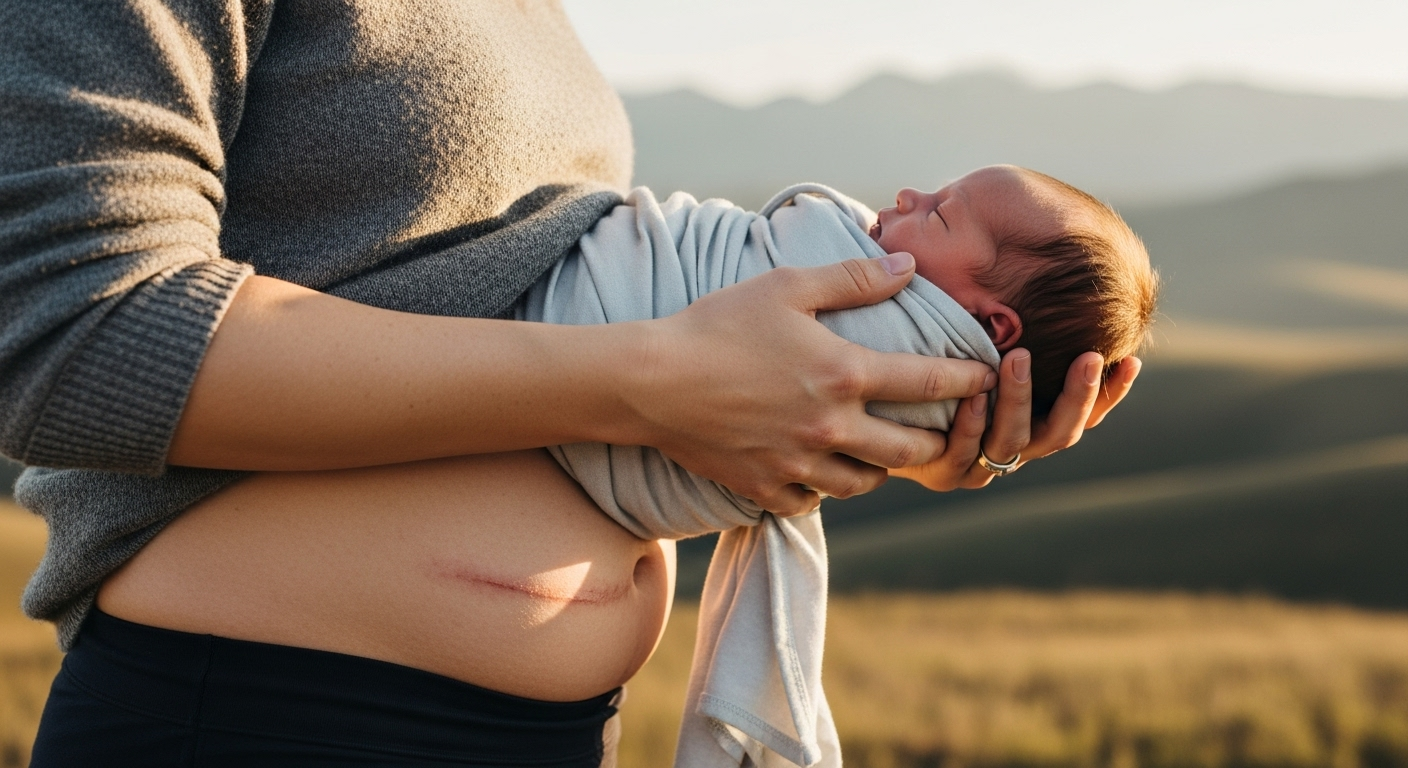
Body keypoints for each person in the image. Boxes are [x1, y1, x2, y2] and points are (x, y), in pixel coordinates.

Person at [0, 2, 1140, 766]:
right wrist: (648, 381)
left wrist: (892, 411)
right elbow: (69, 332)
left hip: (549, 732)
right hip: (267, 716)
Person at [509, 169, 1156, 767]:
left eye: (938, 218)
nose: (907, 197)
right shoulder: (878, 298)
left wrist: (940, 434)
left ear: (989, 322)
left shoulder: (895, 337)